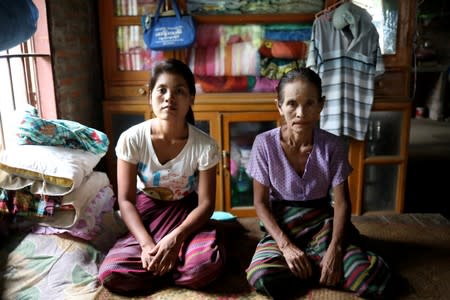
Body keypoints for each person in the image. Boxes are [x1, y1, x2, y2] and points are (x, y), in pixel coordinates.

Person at [245, 68, 391, 299]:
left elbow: (342, 204)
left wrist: (335, 248)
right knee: (261, 276)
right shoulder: (264, 144)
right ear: (279, 106)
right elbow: (260, 203)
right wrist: (286, 247)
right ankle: (314, 267)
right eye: (292, 104)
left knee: (369, 279)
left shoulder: (332, 146)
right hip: (283, 226)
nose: (301, 113)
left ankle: (315, 266)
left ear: (321, 105)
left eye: (310, 103)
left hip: (323, 224)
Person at [98, 58, 226, 294]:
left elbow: (206, 204)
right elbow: (126, 201)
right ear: (150, 96)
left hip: (186, 214)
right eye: (162, 90)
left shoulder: (205, 145)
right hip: (146, 211)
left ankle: (166, 265)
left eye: (179, 91)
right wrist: (147, 245)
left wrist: (176, 238)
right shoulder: (132, 139)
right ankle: (169, 267)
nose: (169, 97)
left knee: (205, 266)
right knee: (111, 272)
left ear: (191, 99)